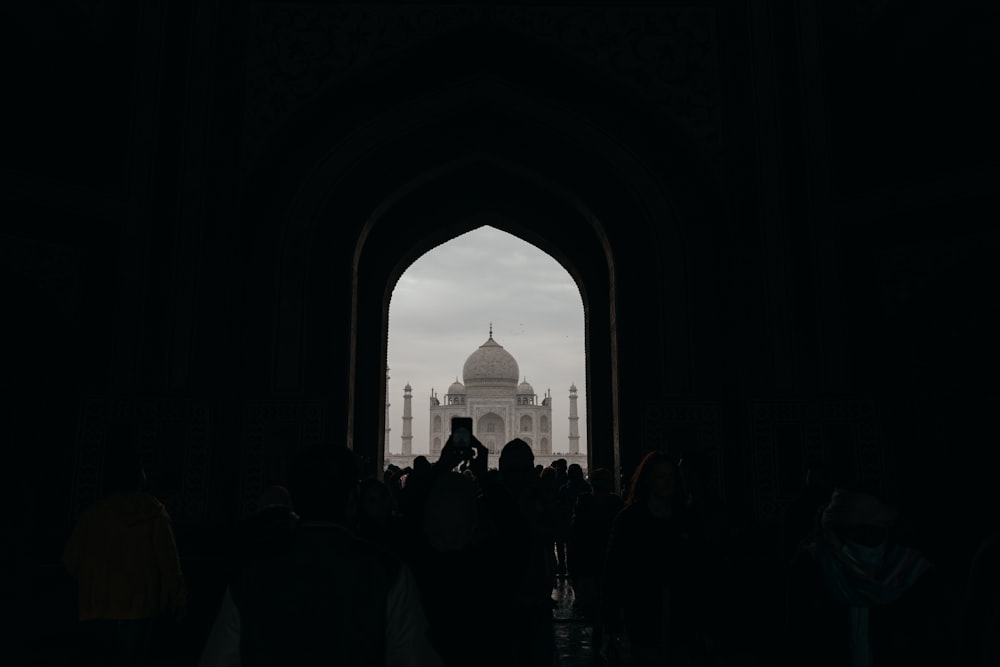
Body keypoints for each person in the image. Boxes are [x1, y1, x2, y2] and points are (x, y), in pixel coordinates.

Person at [198, 444, 442, 667]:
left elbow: (219, 659)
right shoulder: (388, 572)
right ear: (353, 499)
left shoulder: (251, 571)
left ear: (293, 499)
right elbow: (414, 659)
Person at [786, 488, 945, 667]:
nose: (868, 540)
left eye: (876, 531)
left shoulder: (909, 572)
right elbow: (799, 637)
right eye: (860, 531)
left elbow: (928, 640)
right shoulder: (814, 565)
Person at [63, 448, 187, 667]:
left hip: (98, 607)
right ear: (138, 476)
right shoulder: (154, 513)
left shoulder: (94, 514)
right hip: (141, 607)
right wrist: (178, 598)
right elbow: (169, 562)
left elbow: (71, 560)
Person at [602, 450, 699, 667]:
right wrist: (611, 625)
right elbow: (613, 573)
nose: (667, 483)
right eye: (660, 476)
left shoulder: (686, 519)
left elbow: (700, 569)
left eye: (671, 477)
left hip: (682, 616)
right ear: (648, 480)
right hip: (643, 615)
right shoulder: (630, 520)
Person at [568, 467, 623, 655]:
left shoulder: (588, 502)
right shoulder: (610, 502)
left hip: (597, 560)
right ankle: (605, 633)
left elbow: (575, 535)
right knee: (600, 602)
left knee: (604, 601)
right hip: (597, 560)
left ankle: (604, 633)